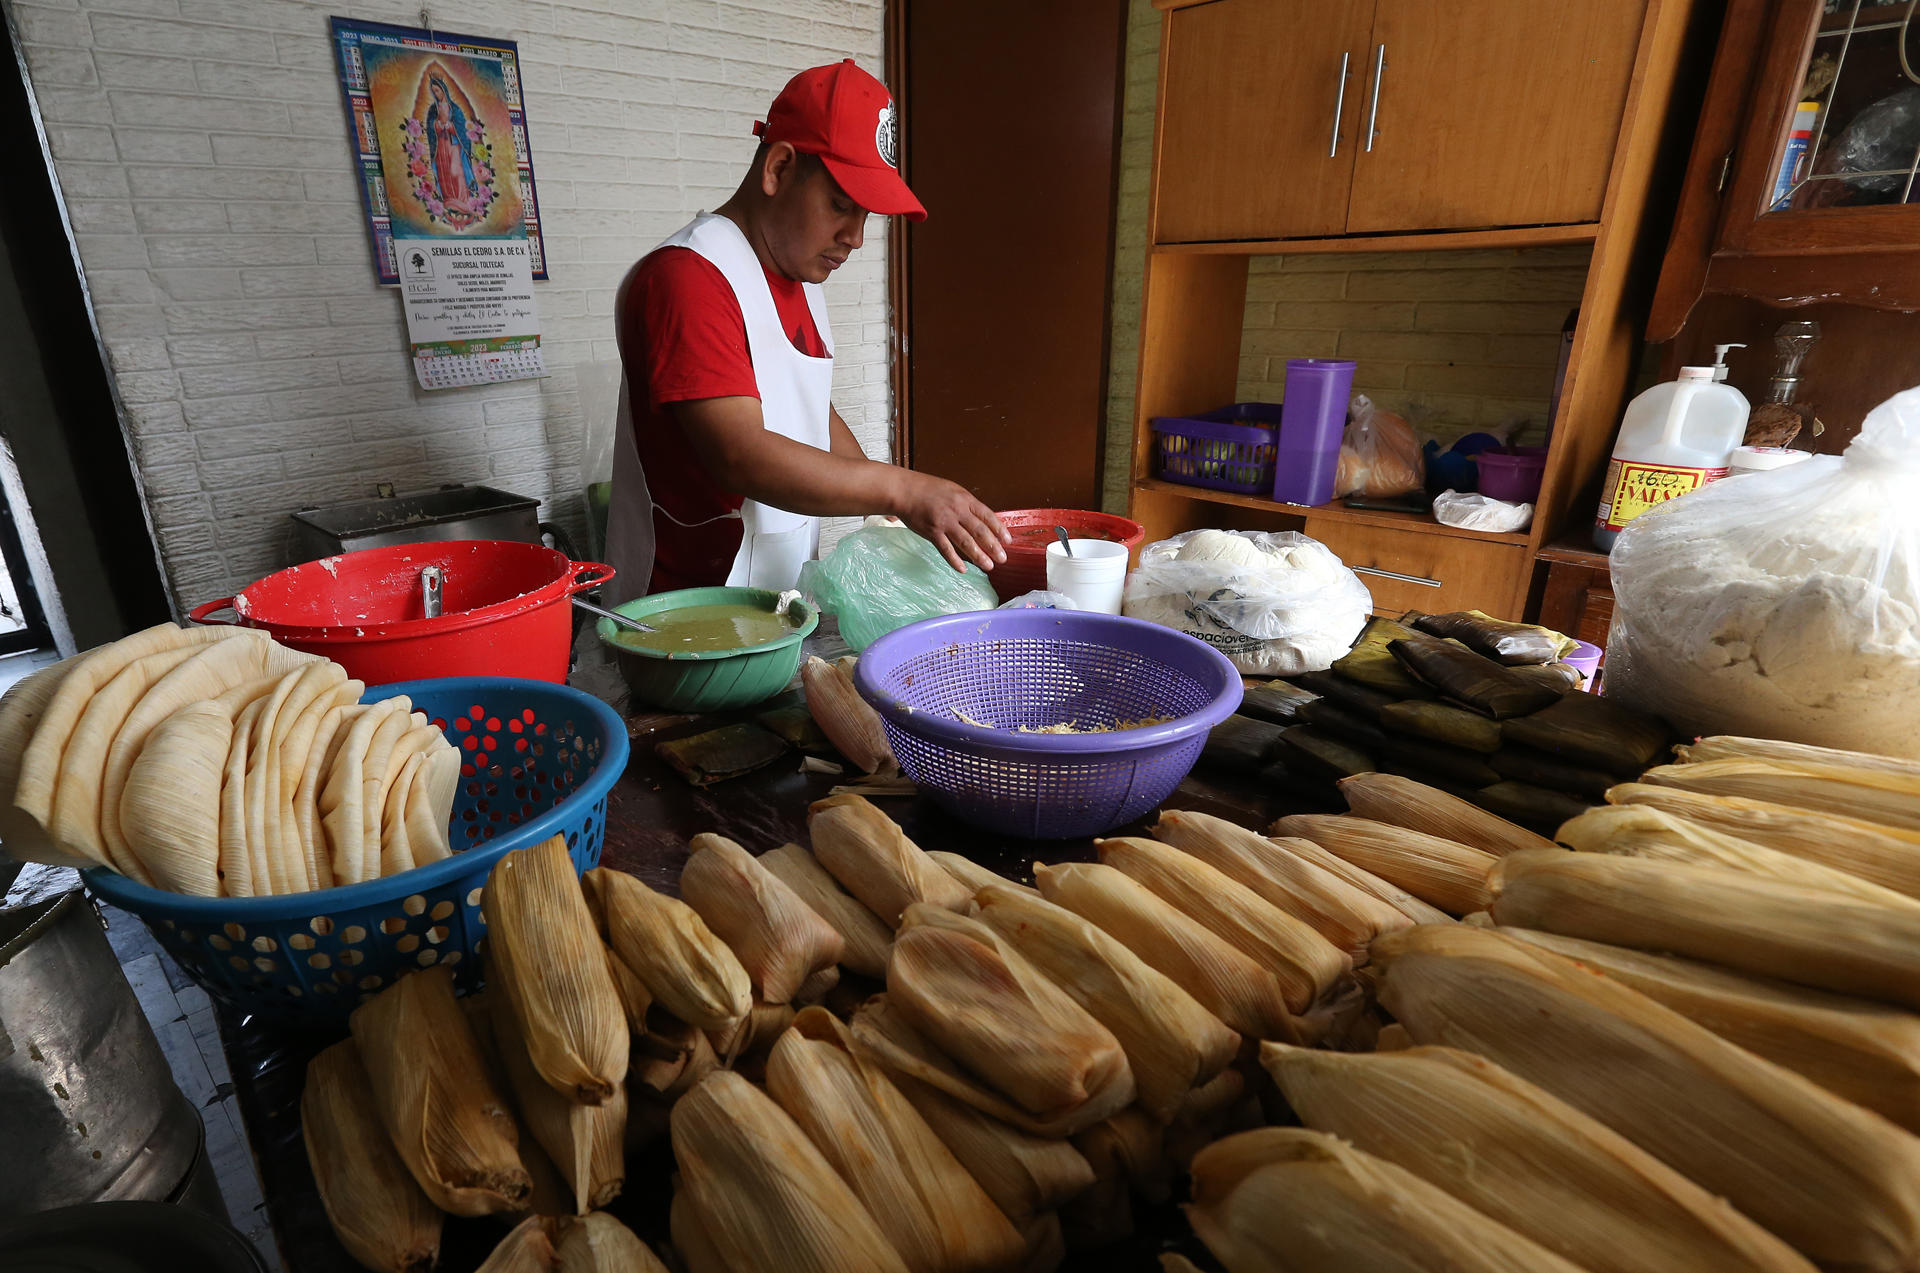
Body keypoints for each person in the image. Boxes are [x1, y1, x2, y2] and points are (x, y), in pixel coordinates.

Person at [604, 59, 1008, 604]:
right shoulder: (688, 278)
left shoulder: (796, 275)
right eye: (841, 205)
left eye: (866, 216)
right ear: (778, 168)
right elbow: (740, 453)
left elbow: (812, 411)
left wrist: (886, 515)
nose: (855, 238)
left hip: (772, 607)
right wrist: (905, 490)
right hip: (680, 616)